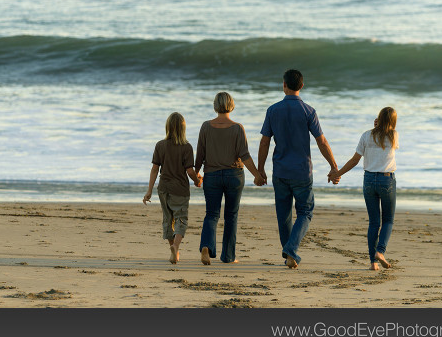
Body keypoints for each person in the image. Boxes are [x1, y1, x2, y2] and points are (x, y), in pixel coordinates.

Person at [257, 69, 340, 269]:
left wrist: (260, 170)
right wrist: (334, 166)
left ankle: (288, 254)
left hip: (280, 171)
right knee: (305, 211)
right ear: (302, 86)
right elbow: (321, 141)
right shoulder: (309, 111)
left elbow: (264, 143)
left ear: (283, 85)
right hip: (302, 172)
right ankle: (292, 249)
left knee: (283, 214)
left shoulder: (273, 110)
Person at [194, 92, 264, 265]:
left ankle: (206, 247)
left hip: (212, 176)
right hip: (234, 176)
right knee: (231, 216)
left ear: (215, 105)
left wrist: (196, 174)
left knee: (211, 214)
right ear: (231, 105)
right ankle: (228, 256)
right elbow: (244, 155)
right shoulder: (237, 128)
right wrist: (257, 175)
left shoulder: (205, 126)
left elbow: (200, 154)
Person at [334, 107, 399, 271]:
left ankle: (373, 262)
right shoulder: (394, 136)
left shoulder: (366, 135)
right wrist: (383, 126)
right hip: (386, 180)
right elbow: (388, 133)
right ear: (393, 122)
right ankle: (380, 251)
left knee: (374, 222)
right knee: (388, 220)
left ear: (378, 118)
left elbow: (355, 160)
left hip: (369, 180)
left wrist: (338, 173)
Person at [143, 112, 202, 264]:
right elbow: (189, 171)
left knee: (168, 220)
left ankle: (173, 251)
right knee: (181, 219)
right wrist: (197, 181)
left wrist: (149, 191)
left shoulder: (160, 145)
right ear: (184, 128)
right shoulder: (186, 147)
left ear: (167, 127)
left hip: (163, 188)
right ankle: (175, 246)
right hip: (180, 189)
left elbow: (155, 170)